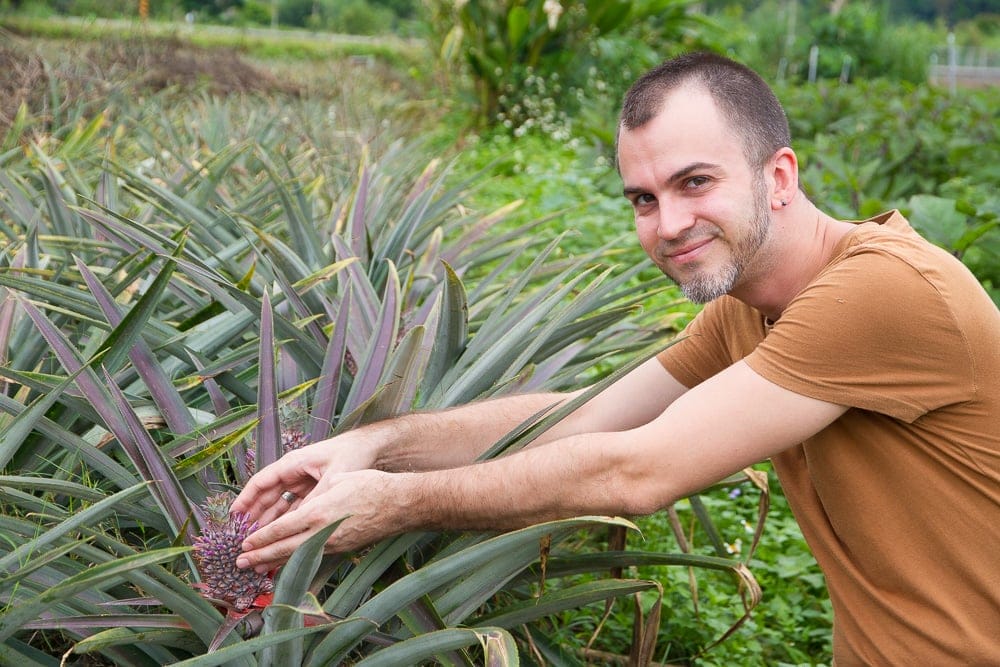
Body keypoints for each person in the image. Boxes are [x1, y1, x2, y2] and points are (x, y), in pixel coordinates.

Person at [233, 52, 1000, 663]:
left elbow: (635, 471)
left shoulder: (885, 291)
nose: (669, 223)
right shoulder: (750, 311)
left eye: (695, 182)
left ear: (779, 177)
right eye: (643, 198)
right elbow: (583, 421)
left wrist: (391, 504)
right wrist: (375, 445)